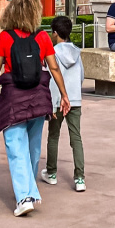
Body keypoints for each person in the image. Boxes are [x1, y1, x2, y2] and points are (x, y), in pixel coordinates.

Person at [0, 0, 69, 216]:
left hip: (14, 98)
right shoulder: (42, 37)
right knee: (33, 147)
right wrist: (64, 94)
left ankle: (24, 197)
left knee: (15, 146)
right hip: (39, 98)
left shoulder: (6, 37)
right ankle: (29, 191)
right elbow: (54, 68)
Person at [41, 14, 86, 193]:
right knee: (76, 138)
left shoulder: (52, 53)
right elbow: (81, 76)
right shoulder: (77, 52)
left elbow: (49, 77)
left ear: (55, 33)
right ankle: (80, 178)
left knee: (53, 136)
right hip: (74, 99)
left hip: (57, 100)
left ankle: (51, 173)